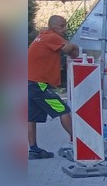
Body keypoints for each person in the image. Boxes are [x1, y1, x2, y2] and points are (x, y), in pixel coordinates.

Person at [28, 15, 80, 159]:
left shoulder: (42, 36)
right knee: (62, 110)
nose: (65, 29)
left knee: (30, 117)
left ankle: (33, 150)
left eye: (65, 25)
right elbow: (73, 52)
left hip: (29, 83)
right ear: (53, 26)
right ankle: (80, 142)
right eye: (62, 26)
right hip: (39, 85)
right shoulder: (52, 37)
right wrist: (74, 45)